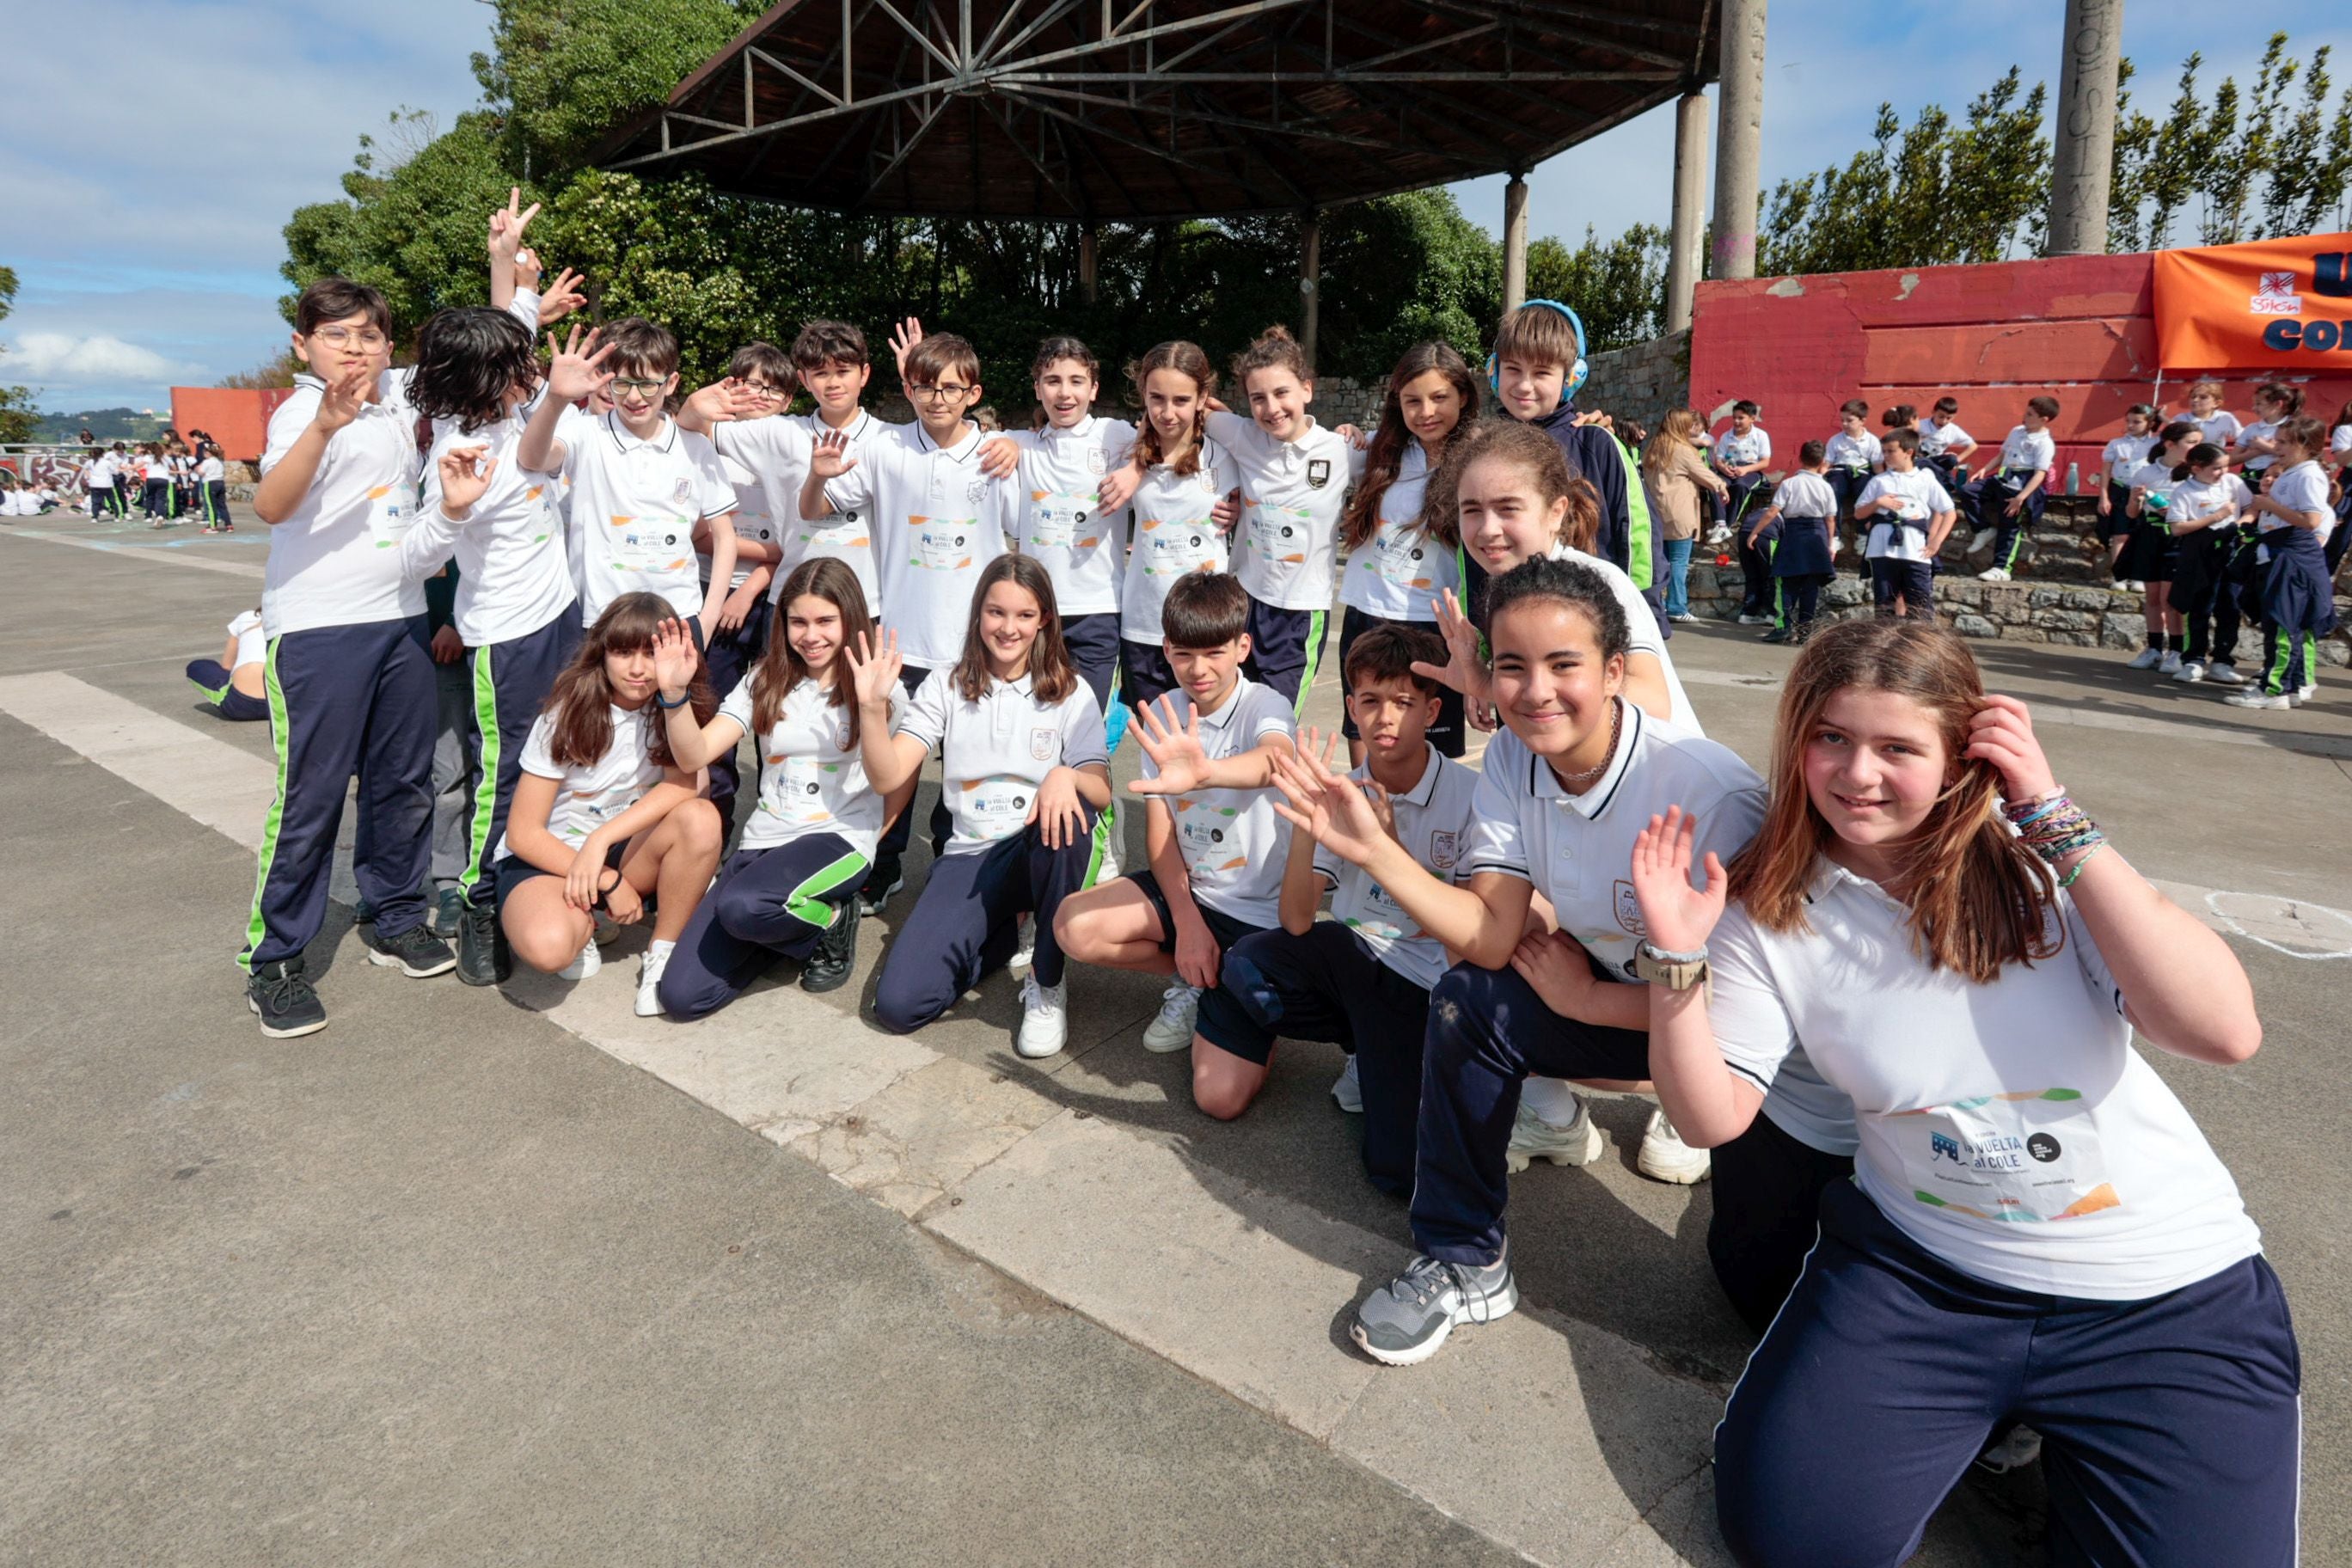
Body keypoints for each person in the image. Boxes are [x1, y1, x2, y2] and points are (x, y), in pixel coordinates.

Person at [1626, 617, 2295, 1568]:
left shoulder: (2042, 870)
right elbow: (1710, 1117)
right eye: (1832, 739)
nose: (1857, 774)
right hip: (1924, 1275)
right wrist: (1677, 959)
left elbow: (2225, 1032)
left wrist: (2055, 816)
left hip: (2158, 1296)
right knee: (1794, 1541)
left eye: (1898, 747)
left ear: (1957, 756)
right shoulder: (1766, 905)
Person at [1306, 557, 1789, 1366]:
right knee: (1468, 996)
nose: (1536, 691)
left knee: (1759, 1293)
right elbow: (1492, 937)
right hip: (1617, 995)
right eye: (1512, 667)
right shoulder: (1510, 761)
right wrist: (1374, 853)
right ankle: (1466, 1260)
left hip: (1726, 1039)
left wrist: (1587, 1004)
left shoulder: (1708, 792)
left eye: (1564, 665)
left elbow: (1744, 1011)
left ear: (1613, 672)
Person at [1193, 625, 1479, 1195]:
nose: (1385, 719)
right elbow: (1298, 921)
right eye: (1370, 702)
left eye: (1403, 703)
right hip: (1352, 956)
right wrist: (1308, 827)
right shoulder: (1343, 788)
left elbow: (1463, 936)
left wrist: (1387, 846)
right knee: (1246, 965)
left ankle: (1400, 1058)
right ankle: (1359, 1045)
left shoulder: (1470, 797)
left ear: (1433, 709)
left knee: (1397, 1176)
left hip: (1426, 981)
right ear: (1351, 708)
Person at [240, 278, 454, 1038]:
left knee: (403, 781)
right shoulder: (303, 410)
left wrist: (512, 277)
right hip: (320, 630)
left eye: (369, 335)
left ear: (388, 346)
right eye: (337, 335)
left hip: (398, 619)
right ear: (304, 346)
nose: (355, 348)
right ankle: (276, 958)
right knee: (312, 796)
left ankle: (394, 915)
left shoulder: (397, 394)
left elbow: (484, 346)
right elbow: (271, 507)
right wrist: (326, 427)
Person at [401, 304, 586, 986]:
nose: (530, 371)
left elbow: (506, 335)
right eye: (520, 366)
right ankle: (479, 906)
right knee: (501, 780)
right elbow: (417, 559)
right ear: (488, 379)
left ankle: (544, 876)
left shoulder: (507, 415)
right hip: (505, 641)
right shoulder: (459, 451)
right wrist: (452, 509)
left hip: (561, 619)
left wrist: (512, 274)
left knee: (565, 759)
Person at [802, 328, 1018, 916]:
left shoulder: (997, 453)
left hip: (979, 646)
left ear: (973, 393)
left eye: (951, 388)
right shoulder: (883, 448)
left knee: (972, 762)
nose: (937, 398)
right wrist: (820, 474)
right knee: (894, 766)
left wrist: (1017, 451)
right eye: (925, 386)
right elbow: (813, 509)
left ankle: (957, 863)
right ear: (907, 388)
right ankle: (885, 865)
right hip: (903, 643)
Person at [861, 554, 1112, 1056]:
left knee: (1071, 813)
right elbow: (889, 774)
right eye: (996, 612)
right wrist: (871, 708)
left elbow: (1101, 788)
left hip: (1040, 840)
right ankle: (1009, 927)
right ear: (978, 614)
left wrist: (1064, 774)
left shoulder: (1070, 689)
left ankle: (1046, 978)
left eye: (1024, 615)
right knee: (901, 1005)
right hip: (971, 853)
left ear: (1044, 618)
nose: (1009, 627)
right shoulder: (945, 685)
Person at [1055, 571, 1295, 1056]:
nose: (1198, 669)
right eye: (1184, 653)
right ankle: (1195, 975)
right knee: (1071, 926)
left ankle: (1229, 974)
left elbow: (1276, 759)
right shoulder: (1163, 711)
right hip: (1195, 893)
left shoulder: (1264, 704)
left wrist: (1205, 774)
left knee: (1221, 1099)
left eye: (1214, 652)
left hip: (1259, 912)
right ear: (1165, 650)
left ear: (1243, 647)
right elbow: (1162, 836)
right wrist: (1187, 924)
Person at [652, 559, 883, 1015]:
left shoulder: (874, 683)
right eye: (798, 621)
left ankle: (832, 917)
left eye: (825, 621)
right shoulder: (764, 679)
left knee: (744, 906)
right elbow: (695, 755)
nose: (810, 635)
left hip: (837, 838)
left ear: (850, 619)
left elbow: (890, 779)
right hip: (766, 839)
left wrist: (873, 705)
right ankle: (781, 923)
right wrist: (674, 697)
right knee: (681, 997)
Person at [491, 592, 725, 1014]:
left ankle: (663, 954)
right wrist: (606, 881)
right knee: (549, 950)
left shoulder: (674, 705)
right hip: (549, 856)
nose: (637, 669)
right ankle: (583, 922)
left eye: (650, 654)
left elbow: (685, 787)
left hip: (621, 848)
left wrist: (602, 841)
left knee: (701, 818)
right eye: (622, 652)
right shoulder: (567, 712)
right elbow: (523, 832)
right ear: (601, 654)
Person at [1431, 419, 1704, 737]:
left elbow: (1653, 703)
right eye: (1472, 510)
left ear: (1556, 511)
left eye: (1508, 509)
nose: (1488, 529)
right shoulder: (1509, 589)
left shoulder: (1596, 584)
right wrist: (1485, 683)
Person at [516, 319, 739, 638]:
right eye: (622, 384)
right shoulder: (584, 432)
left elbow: (724, 535)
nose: (634, 397)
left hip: (680, 615)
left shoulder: (696, 446)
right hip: (600, 617)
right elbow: (531, 459)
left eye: (647, 384)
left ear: (671, 382)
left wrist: (707, 618)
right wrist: (555, 399)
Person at [1197, 325, 1365, 711]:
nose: (1271, 408)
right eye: (1258, 398)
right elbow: (1192, 407)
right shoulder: (1242, 435)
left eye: (1281, 393)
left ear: (1307, 389)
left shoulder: (1342, 450)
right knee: (1232, 712)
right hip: (1243, 601)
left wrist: (1357, 432)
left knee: (1275, 720)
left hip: (1300, 615)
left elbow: (1394, 453)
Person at [1335, 342, 1475, 763]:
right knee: (1367, 729)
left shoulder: (1479, 456)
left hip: (1434, 626)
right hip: (1369, 614)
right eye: (1412, 400)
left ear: (1463, 397)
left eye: (1439, 398)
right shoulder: (1379, 451)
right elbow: (1291, 456)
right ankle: (1369, 814)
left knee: (1436, 749)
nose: (1425, 411)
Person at [1486, 300, 1656, 610]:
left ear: (1571, 377)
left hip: (1590, 619)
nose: (1525, 385)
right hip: (1506, 623)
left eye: (1541, 372)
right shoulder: (1483, 449)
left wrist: (1645, 616)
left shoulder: (1598, 444)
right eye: (1513, 369)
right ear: (1494, 371)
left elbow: (1637, 536)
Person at [1001, 334, 1136, 718]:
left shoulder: (1117, 436)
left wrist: (1135, 469)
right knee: (1035, 724)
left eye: (1076, 381)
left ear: (1093, 388)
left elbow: (1172, 443)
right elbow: (957, 437)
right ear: (1037, 387)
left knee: (1086, 726)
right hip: (1035, 612)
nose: (1065, 393)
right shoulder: (1018, 443)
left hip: (1098, 612)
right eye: (1053, 381)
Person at [1112, 340, 1242, 717]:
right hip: (1144, 628)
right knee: (1155, 744)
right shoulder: (1123, 452)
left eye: (1181, 400)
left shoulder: (1229, 455)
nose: (1167, 413)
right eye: (1157, 398)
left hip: (1206, 632)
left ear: (1203, 397)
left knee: (1206, 743)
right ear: (1143, 395)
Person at [2227, 413, 2338, 710]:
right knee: (2278, 621)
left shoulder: (2308, 474)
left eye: (2284, 442)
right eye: (2277, 441)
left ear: (2304, 444)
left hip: (2291, 553)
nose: (2276, 447)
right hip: (2277, 551)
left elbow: (2311, 520)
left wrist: (2268, 505)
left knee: (2283, 623)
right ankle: (2289, 686)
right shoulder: (2293, 472)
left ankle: (2274, 689)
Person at [2159, 442, 2252, 688]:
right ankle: (2194, 660)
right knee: (2199, 606)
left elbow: (2252, 508)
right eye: (2216, 468)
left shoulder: (2233, 483)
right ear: (2196, 468)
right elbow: (2177, 527)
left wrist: (2240, 524)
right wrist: (2216, 517)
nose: (2222, 473)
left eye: (2224, 467)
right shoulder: (2184, 491)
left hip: (2230, 550)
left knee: (2230, 607)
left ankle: (2222, 662)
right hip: (2199, 552)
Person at [1854, 428, 1956, 621]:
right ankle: (1887, 647)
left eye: (1891, 451)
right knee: (1885, 606)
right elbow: (1859, 513)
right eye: (1883, 452)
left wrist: (1936, 542)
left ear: (1909, 452)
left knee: (1920, 605)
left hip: (1914, 550)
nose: (1886, 456)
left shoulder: (1925, 479)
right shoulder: (1879, 481)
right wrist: (1878, 503)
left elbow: (1948, 511)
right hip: (1882, 550)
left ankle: (1922, 646)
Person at [2122, 420, 2197, 672]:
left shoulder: (2194, 474)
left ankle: (2177, 650)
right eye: (2191, 443)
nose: (2196, 447)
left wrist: (2175, 512)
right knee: (2152, 596)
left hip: (2179, 537)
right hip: (2151, 535)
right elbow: (2132, 513)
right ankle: (2154, 647)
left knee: (2171, 598)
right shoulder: (2146, 473)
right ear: (2170, 444)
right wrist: (2136, 499)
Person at [1747, 439, 1838, 646]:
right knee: (1811, 586)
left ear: (1800, 458)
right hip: (1817, 536)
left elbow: (1773, 511)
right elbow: (1830, 519)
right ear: (1822, 461)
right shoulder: (1825, 487)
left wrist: (1755, 532)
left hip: (1794, 534)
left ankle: (1783, 627)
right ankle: (1805, 630)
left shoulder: (1790, 484)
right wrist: (1831, 544)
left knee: (1785, 582)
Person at [1639, 407, 1725, 624]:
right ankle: (1677, 606)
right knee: (1679, 562)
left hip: (1656, 513)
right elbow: (1704, 474)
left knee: (1660, 562)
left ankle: (1655, 606)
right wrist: (1721, 485)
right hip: (1680, 513)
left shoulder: (1654, 446)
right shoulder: (1683, 450)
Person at [1968, 394, 2056, 582]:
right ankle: (1983, 529)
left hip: (2021, 486)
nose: (2025, 417)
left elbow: (2040, 473)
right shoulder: (2016, 431)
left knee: (2009, 527)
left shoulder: (2045, 443)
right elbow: (2002, 455)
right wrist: (1984, 469)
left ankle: (2001, 568)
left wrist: (2021, 498)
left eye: (2030, 415)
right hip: (2002, 478)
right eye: (2026, 412)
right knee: (1968, 491)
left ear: (2043, 420)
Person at [1712, 401, 1774, 622]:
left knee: (1740, 487)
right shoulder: (1727, 436)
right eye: (1735, 418)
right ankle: (1720, 523)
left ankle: (1729, 523)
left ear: (1752, 419)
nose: (1737, 422)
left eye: (1741, 418)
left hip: (1750, 471)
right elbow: (1718, 459)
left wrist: (1745, 469)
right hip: (1730, 469)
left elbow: (1765, 461)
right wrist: (1723, 469)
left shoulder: (1760, 436)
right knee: (1716, 484)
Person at [2094, 404, 2158, 583]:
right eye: (2128, 421)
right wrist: (2104, 497)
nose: (2130, 425)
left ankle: (2138, 577)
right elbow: (2106, 471)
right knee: (2120, 534)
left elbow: (2179, 432)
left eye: (2137, 422)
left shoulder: (2156, 444)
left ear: (2150, 423)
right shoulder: (2116, 444)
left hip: (2147, 492)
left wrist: (2164, 418)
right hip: (2121, 490)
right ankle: (2119, 577)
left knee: (2142, 535)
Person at [1822, 398, 1882, 564]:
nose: (1845, 424)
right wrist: (1818, 479)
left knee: (1865, 495)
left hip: (1862, 472)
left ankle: (1862, 535)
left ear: (1862, 421)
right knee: (1833, 492)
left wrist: (1883, 484)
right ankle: (1834, 536)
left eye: (1850, 420)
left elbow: (1877, 467)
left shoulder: (1872, 441)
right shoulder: (1836, 440)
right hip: (1840, 472)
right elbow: (1827, 464)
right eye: (1843, 420)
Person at [187, 606, 268, 721]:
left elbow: (227, 666)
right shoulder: (298, 626)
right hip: (284, 706)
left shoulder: (248, 618)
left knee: (198, 666)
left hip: (241, 704)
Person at [2178, 378, 2242, 450]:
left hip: (2214, 457)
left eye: (2203, 397)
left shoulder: (2225, 418)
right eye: (2193, 397)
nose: (2195, 400)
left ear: (2216, 403)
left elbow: (2242, 437)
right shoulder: (2181, 419)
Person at [195, 439, 233, 533]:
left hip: (210, 483)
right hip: (220, 482)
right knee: (222, 505)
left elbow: (201, 473)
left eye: (204, 452)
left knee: (211, 506)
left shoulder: (207, 462)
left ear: (208, 452)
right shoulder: (219, 461)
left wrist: (197, 469)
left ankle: (213, 527)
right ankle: (229, 525)